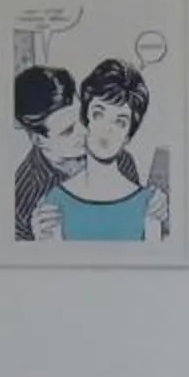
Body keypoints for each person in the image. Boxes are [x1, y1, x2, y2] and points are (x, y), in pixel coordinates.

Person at [31, 59, 171, 242]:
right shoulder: (55, 203)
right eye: (99, 113)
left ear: (128, 135)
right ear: (85, 118)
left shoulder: (150, 204)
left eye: (120, 122)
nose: (107, 129)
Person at [8, 65, 84, 242]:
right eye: (68, 130)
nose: (86, 132)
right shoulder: (22, 196)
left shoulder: (115, 155)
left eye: (83, 118)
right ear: (37, 139)